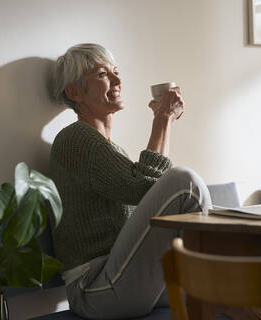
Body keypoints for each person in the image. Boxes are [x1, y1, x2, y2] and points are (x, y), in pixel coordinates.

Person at [49, 43, 212, 319]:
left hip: (124, 279)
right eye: (103, 74)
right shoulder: (75, 139)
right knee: (186, 181)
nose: (117, 81)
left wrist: (165, 120)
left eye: (116, 72)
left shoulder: (111, 150)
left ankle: (230, 291)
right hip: (95, 289)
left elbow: (148, 186)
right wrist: (162, 118)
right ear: (74, 92)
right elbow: (144, 187)